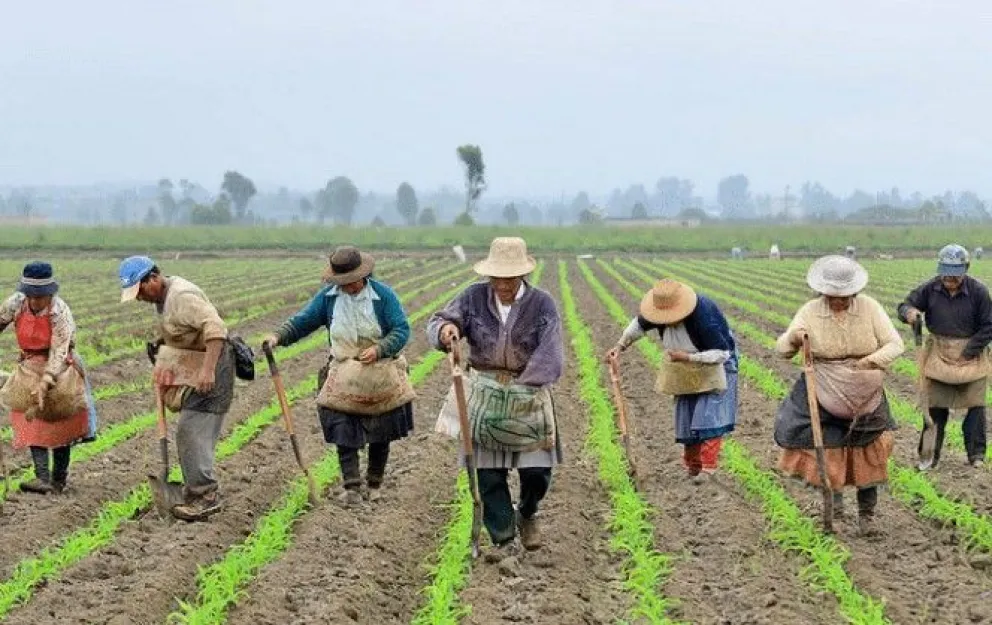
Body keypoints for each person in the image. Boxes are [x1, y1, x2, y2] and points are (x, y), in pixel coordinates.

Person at [428, 237, 563, 554]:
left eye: (509, 277)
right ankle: (503, 539)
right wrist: (446, 330)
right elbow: (440, 320)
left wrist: (524, 387)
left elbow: (551, 353)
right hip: (484, 391)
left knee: (537, 471)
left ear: (522, 275)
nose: (502, 284)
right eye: (497, 277)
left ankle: (528, 513)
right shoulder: (473, 297)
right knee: (488, 473)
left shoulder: (542, 304)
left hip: (527, 391)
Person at [263, 246, 414, 505]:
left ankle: (375, 484)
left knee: (381, 430)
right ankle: (352, 487)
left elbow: (401, 329)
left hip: (380, 370)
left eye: (352, 282)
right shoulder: (328, 298)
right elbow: (304, 321)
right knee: (342, 426)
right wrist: (278, 337)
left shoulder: (383, 296)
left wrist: (380, 349)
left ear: (363, 275)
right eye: (343, 283)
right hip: (344, 370)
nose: (349, 287)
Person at [775, 255, 904, 536]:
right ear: (823, 292)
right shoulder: (809, 311)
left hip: (864, 385)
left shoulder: (870, 308)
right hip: (823, 384)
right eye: (834, 296)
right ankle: (834, 510)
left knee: (869, 448)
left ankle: (867, 516)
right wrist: (795, 338)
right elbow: (783, 349)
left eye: (845, 296)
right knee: (829, 448)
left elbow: (895, 344)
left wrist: (869, 362)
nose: (840, 301)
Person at [119, 255, 235, 520]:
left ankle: (206, 496)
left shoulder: (181, 295)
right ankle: (195, 488)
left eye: (140, 291)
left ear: (154, 278)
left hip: (214, 366)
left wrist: (207, 371)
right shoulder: (164, 298)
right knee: (190, 428)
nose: (139, 298)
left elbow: (216, 329)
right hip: (196, 364)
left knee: (190, 429)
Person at [607, 278, 738, 482]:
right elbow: (638, 325)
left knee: (708, 415)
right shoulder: (658, 311)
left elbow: (722, 353)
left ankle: (708, 468)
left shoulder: (703, 315)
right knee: (686, 416)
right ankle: (693, 466)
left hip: (714, 363)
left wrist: (688, 357)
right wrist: (619, 346)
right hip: (682, 366)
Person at [0, 262, 97, 493]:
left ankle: (58, 480)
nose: (34, 301)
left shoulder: (59, 311)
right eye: (30, 296)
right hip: (29, 365)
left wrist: (46, 381)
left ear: (49, 293)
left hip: (61, 367)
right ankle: (42, 477)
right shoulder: (15, 303)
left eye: (39, 297)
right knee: (31, 418)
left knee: (62, 419)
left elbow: (60, 351)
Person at [898, 243, 992, 469]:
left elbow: (989, 326)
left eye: (955, 274)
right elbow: (904, 305)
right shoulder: (930, 288)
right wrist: (909, 313)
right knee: (935, 407)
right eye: (946, 273)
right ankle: (930, 456)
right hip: (939, 352)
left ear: (965, 269)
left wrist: (968, 352)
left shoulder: (978, 291)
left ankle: (976, 455)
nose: (949, 278)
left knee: (976, 406)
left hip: (972, 353)